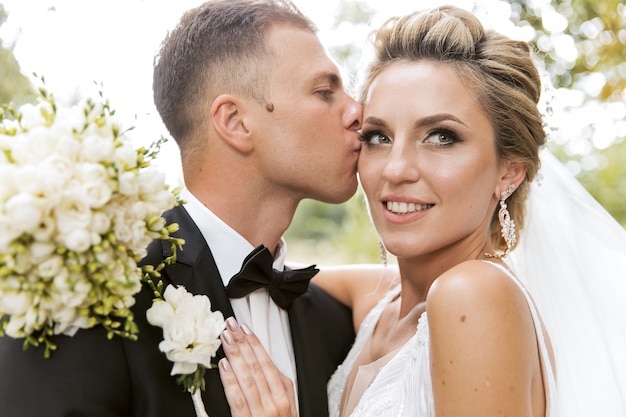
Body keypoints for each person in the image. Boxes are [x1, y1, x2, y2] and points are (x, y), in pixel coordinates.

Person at [217, 5, 626, 417]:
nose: (395, 169)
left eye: (441, 136)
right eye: (378, 136)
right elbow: (268, 272)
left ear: (510, 170)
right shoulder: (383, 300)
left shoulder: (473, 293)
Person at [0, 1, 391, 416]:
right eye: (325, 91)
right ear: (236, 121)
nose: (359, 113)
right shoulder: (92, 295)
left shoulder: (332, 323)